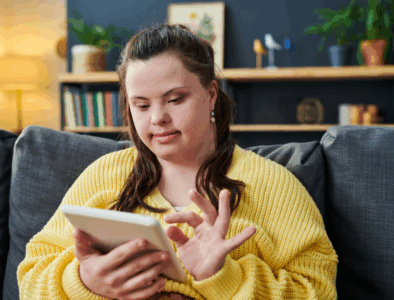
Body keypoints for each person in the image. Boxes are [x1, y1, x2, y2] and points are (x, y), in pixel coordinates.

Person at [17, 22, 338, 300]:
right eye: (141, 106)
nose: (158, 118)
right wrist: (84, 281)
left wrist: (226, 277)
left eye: (175, 99)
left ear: (211, 94)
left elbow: (319, 291)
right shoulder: (103, 177)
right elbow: (29, 279)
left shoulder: (272, 185)